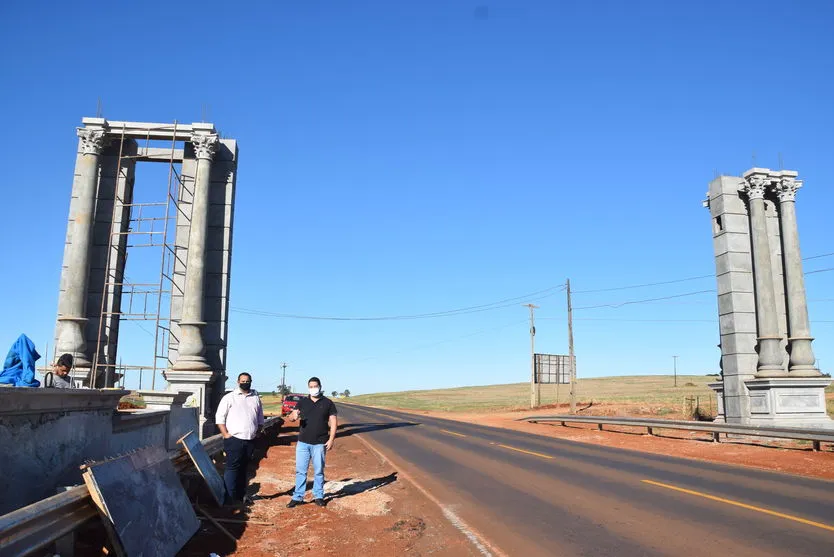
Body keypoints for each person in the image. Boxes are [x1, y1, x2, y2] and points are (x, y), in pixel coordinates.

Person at [287, 376, 337, 508]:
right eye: (311, 386)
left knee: (319, 471)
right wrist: (294, 415)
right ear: (308, 388)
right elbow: (291, 418)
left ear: (320, 387)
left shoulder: (328, 403)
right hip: (303, 443)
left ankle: (319, 496)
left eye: (315, 386)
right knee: (300, 471)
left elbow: (333, 422)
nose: (313, 388)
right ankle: (298, 497)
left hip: (320, 443)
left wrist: (331, 439)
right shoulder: (302, 402)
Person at [215, 372, 264, 505]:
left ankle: (241, 496)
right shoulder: (229, 398)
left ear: (251, 381)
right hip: (234, 440)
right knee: (232, 469)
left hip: (250, 440)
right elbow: (220, 418)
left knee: (244, 468)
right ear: (238, 382)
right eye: (242, 381)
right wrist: (225, 434)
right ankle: (229, 498)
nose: (245, 383)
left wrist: (258, 431)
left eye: (247, 381)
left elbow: (260, 417)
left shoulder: (255, 398)